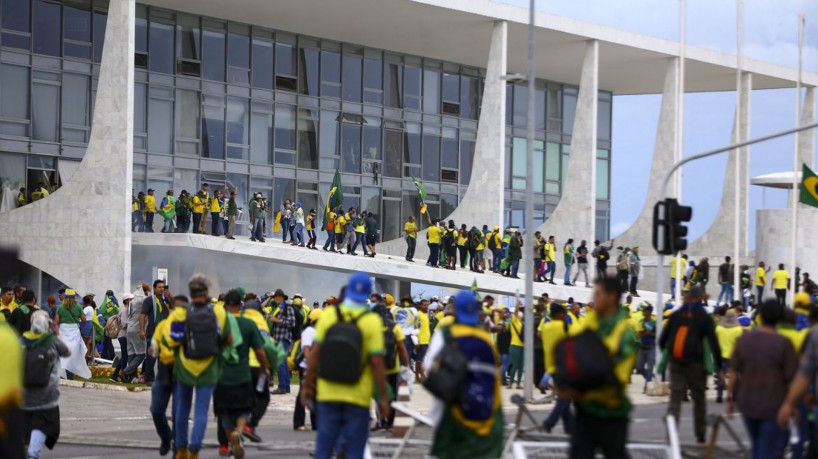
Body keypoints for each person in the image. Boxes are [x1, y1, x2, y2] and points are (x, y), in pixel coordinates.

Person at [301, 272, 389, 459]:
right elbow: (376, 363)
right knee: (355, 450)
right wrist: (382, 397)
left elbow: (315, 355)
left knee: (324, 447)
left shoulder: (329, 315)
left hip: (328, 392)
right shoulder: (372, 321)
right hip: (358, 396)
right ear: (368, 294)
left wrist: (307, 386)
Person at [559, 277, 636, 458]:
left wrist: (578, 387)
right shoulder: (589, 322)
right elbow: (571, 350)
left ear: (612, 297)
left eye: (598, 293)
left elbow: (617, 376)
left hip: (611, 412)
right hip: (585, 411)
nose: (594, 297)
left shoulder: (624, 332)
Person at [424, 290, 504, 459]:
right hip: (487, 418)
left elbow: (428, 366)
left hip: (453, 416)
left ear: (455, 309)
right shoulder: (486, 339)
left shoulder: (446, 334)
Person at [164, 275, 230, 459]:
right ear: (207, 293)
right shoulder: (219, 313)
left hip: (185, 367)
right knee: (202, 410)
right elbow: (228, 339)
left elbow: (172, 340)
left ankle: (181, 448)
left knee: (182, 408)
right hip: (209, 368)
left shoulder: (180, 312)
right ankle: (195, 449)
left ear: (190, 294)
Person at [728, 300, 796, 459]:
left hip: (747, 401)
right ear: (779, 318)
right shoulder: (784, 343)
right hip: (773, 403)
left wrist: (730, 397)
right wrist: (791, 404)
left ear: (761, 316)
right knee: (765, 448)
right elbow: (790, 377)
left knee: (758, 445)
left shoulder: (744, 340)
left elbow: (733, 371)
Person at [660, 286, 722, 443]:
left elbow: (662, 340)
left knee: (675, 399)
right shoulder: (703, 316)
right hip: (696, 363)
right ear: (700, 298)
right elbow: (714, 343)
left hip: (676, 362)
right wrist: (719, 368)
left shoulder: (676, 315)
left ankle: (670, 437)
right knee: (699, 399)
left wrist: (670, 357)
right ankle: (700, 434)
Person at [215, 291, 270, 459]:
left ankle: (230, 442)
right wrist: (264, 368)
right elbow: (260, 351)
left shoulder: (219, 325)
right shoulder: (248, 325)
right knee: (244, 409)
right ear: (241, 306)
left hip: (222, 377)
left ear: (225, 306)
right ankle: (239, 432)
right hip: (243, 376)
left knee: (224, 413)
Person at [21, 311, 70, 459]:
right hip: (47, 394)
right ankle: (33, 454)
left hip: (26, 390)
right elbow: (67, 351)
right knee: (42, 423)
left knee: (28, 422)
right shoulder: (52, 341)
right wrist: (57, 333)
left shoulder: (23, 340)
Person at [149, 294, 186, 457]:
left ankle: (178, 447)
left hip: (183, 372)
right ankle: (166, 437)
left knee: (178, 413)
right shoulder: (163, 325)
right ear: (171, 309)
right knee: (156, 409)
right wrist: (153, 349)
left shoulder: (190, 326)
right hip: (164, 370)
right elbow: (154, 344)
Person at [539, 303, 572, 433]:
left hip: (551, 366)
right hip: (563, 366)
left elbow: (539, 336)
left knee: (565, 397)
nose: (565, 316)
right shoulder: (564, 326)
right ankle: (549, 423)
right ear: (559, 314)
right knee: (564, 398)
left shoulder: (546, 327)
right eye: (564, 313)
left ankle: (570, 428)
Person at [53, 289, 91, 380]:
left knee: (63, 354)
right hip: (74, 332)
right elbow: (83, 320)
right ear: (74, 297)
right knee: (73, 355)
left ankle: (63, 374)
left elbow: (56, 322)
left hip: (63, 331)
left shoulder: (60, 307)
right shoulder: (78, 306)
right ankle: (70, 376)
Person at [294, 309, 321, 431]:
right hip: (307, 366)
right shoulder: (309, 331)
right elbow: (306, 349)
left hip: (316, 366)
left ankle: (316, 424)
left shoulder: (319, 331)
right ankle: (298, 422)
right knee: (303, 393)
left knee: (315, 394)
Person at [139, 280, 170, 384]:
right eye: (159, 287)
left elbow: (175, 307)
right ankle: (149, 378)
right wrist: (142, 330)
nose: (162, 289)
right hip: (152, 333)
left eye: (163, 287)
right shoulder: (149, 300)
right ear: (155, 288)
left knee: (162, 357)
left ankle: (161, 379)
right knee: (151, 357)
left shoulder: (166, 300)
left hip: (164, 334)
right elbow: (142, 315)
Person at [269, 289, 297, 394]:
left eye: (279, 296)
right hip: (279, 338)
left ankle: (282, 386)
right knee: (283, 363)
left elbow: (292, 323)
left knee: (281, 362)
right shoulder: (277, 308)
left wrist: (278, 321)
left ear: (283, 298)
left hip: (284, 338)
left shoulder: (287, 307)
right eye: (276, 296)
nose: (277, 298)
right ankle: (285, 387)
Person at [714, 309, 743, 403]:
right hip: (734, 356)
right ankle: (733, 395)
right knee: (734, 376)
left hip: (721, 355)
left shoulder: (719, 328)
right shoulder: (738, 329)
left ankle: (719, 394)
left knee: (720, 375)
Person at [111, 293, 134, 383]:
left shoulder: (125, 309)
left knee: (125, 356)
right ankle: (124, 376)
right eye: (131, 299)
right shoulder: (125, 310)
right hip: (124, 335)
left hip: (124, 336)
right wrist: (134, 324)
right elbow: (124, 324)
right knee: (125, 356)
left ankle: (115, 375)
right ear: (127, 301)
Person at [634, 304, 656, 393]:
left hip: (651, 346)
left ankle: (647, 385)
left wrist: (648, 333)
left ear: (649, 312)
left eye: (645, 311)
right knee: (639, 368)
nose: (643, 313)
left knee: (650, 367)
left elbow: (657, 334)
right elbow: (639, 334)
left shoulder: (655, 322)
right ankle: (649, 378)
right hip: (642, 347)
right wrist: (648, 333)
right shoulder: (641, 322)